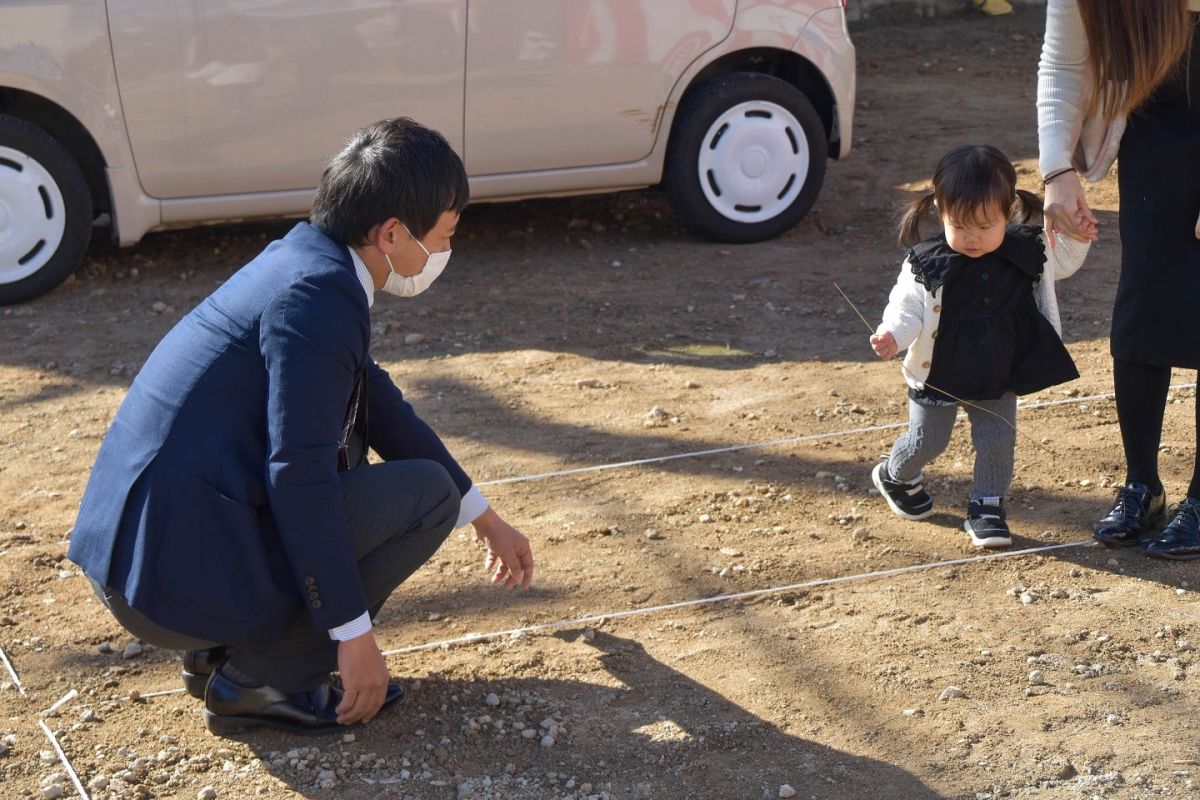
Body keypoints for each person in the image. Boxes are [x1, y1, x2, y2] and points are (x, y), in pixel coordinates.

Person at [68, 118, 535, 736]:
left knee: (415, 481)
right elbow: (298, 475)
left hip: (143, 560)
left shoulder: (304, 262)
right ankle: (267, 676)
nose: (445, 253)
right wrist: (351, 633)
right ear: (392, 233)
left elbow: (379, 405)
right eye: (444, 237)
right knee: (425, 498)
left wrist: (483, 516)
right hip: (164, 581)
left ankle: (219, 649)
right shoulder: (319, 296)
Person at [1038, 0, 1200, 559]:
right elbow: (1062, 61)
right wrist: (1056, 169)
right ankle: (1142, 486)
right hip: (1154, 128)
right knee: (1143, 305)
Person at [869, 145, 1088, 548]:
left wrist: (1078, 230)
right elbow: (907, 309)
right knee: (928, 441)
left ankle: (987, 506)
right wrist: (892, 337)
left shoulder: (1027, 249)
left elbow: (1067, 262)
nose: (973, 238)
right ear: (940, 210)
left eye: (986, 226)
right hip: (940, 372)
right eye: (961, 226)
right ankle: (895, 474)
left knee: (997, 440)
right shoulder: (926, 262)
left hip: (998, 366)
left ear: (1008, 210)